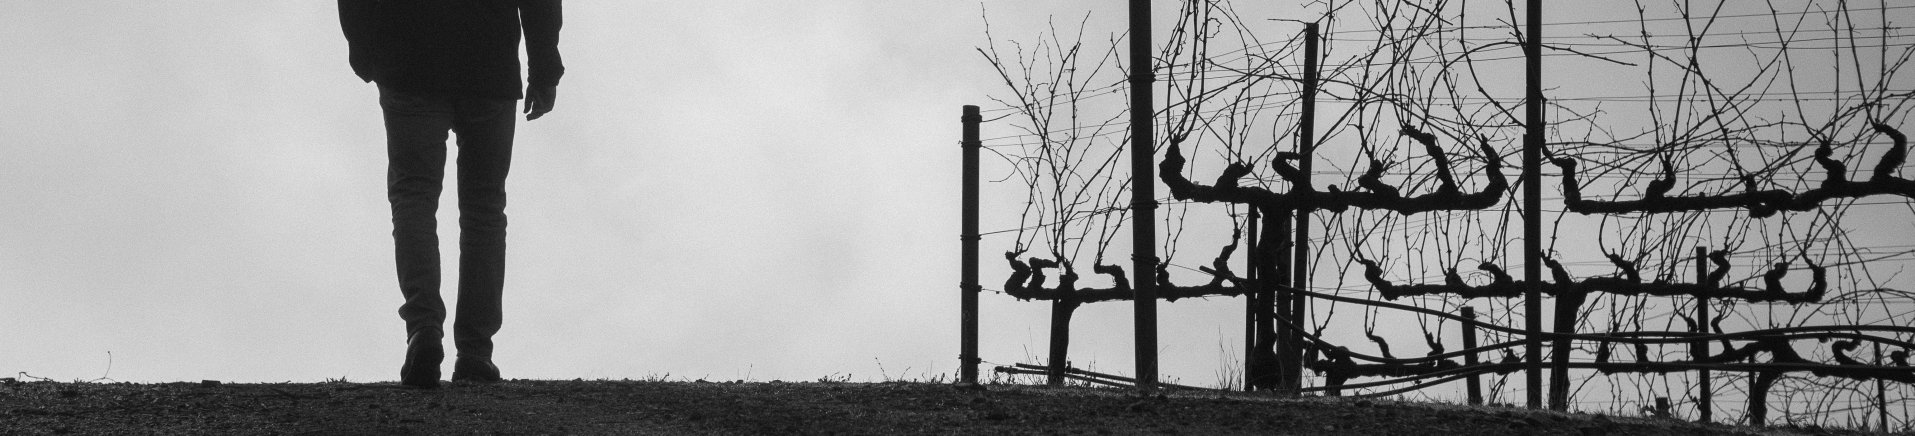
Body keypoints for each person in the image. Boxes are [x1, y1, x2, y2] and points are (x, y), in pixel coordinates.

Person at [338, 0, 564, 389]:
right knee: (484, 209)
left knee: (414, 198)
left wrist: (365, 51)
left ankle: (424, 328)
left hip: (408, 59)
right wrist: (544, 69)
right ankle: (475, 353)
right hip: (488, 60)